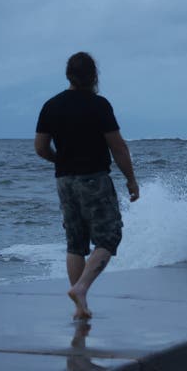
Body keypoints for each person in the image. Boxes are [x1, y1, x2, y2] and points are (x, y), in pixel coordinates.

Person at [34, 52, 139, 320]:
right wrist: (130, 179)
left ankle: (80, 305)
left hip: (64, 180)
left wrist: (60, 159)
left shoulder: (51, 106)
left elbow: (40, 148)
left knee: (75, 242)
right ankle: (81, 288)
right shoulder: (99, 105)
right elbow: (118, 147)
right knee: (110, 236)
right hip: (94, 178)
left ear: (68, 75)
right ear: (94, 76)